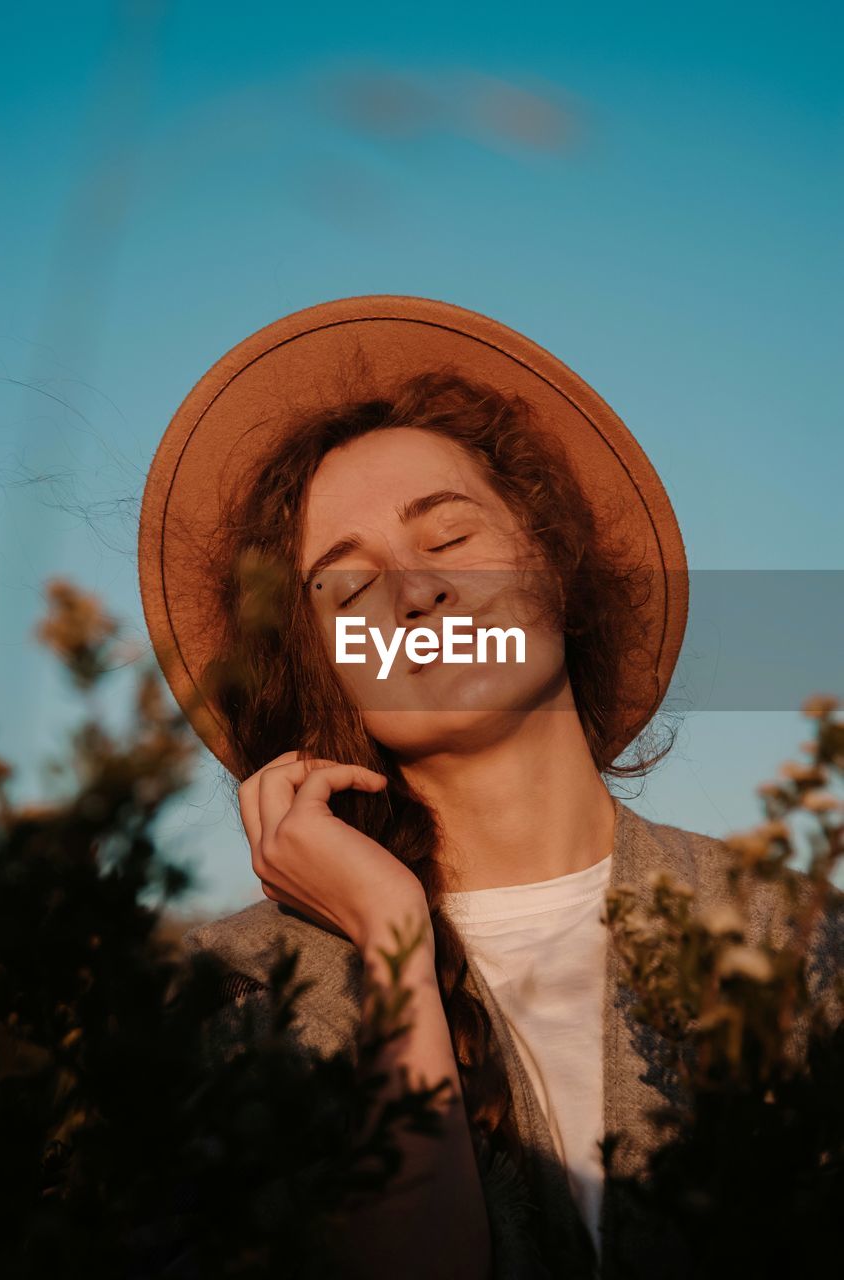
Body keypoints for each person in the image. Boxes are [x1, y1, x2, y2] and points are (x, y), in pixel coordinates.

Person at [138, 297, 836, 1279]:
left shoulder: (784, 930)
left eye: (450, 534)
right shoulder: (239, 993)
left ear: (550, 564)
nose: (412, 589)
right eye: (344, 586)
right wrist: (391, 942)